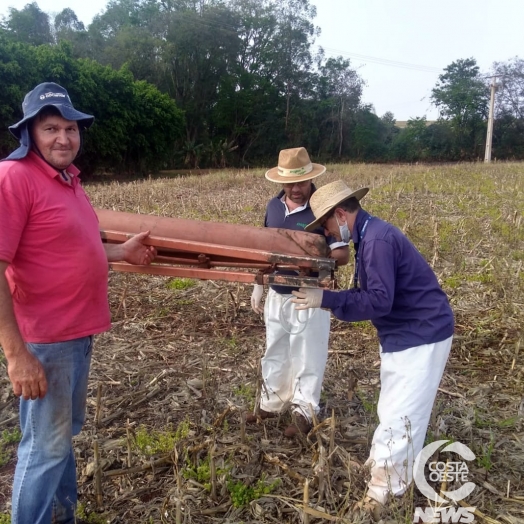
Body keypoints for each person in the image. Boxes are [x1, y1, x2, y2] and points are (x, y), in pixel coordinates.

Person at [0, 82, 157, 524]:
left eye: (71, 128)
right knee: (44, 449)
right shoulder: (14, 178)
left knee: (61, 440)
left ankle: (62, 518)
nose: (64, 138)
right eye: (51, 128)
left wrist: (120, 252)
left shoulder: (67, 180)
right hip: (45, 342)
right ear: (30, 132)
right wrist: (16, 355)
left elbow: (74, 246)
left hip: (76, 335)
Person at [291, 180, 454, 513]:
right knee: (391, 407)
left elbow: (378, 300)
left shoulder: (376, 241)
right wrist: (332, 297)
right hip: (404, 332)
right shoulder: (369, 236)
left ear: (340, 214)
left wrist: (327, 299)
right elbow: (373, 295)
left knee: (402, 413)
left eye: (326, 225)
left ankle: (386, 491)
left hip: (421, 333)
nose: (329, 233)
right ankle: (379, 465)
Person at [247, 147, 349, 438]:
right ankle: (272, 403)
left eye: (301, 183)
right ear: (281, 182)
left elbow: (342, 255)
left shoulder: (323, 207)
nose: (295, 189)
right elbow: (264, 250)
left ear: (310, 179)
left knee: (308, 353)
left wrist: (315, 256)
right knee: (275, 348)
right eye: (289, 183)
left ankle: (304, 410)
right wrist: (258, 285)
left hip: (309, 294)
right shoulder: (273, 207)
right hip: (277, 293)